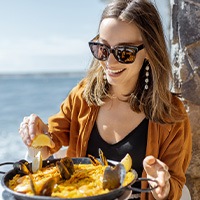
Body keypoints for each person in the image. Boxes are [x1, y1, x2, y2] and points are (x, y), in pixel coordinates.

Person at [19, 0, 192, 199]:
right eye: (102, 48)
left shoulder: (172, 115)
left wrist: (164, 186)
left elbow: (176, 186)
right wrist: (36, 134)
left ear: (149, 52)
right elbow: (49, 142)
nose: (109, 61)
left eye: (124, 52)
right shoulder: (82, 96)